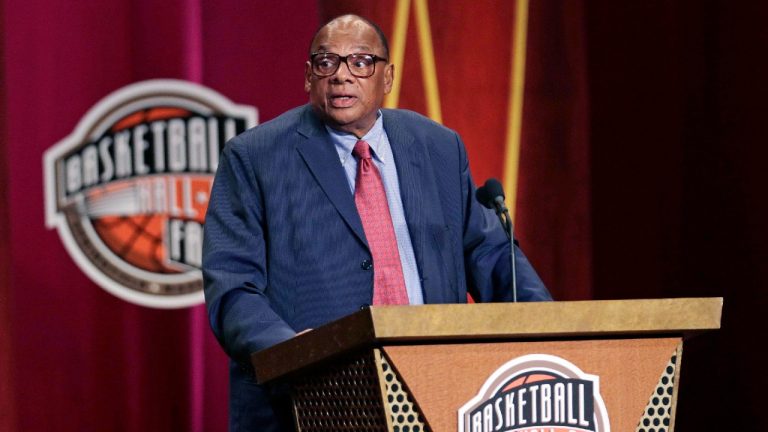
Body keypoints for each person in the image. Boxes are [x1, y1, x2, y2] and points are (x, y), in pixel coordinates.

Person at [202, 14, 552, 432]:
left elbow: (488, 252)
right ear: (308, 77)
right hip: (312, 400)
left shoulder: (438, 146)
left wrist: (548, 329)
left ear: (387, 77)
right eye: (326, 62)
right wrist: (295, 355)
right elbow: (233, 288)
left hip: (440, 393)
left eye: (361, 62)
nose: (341, 76)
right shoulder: (254, 158)